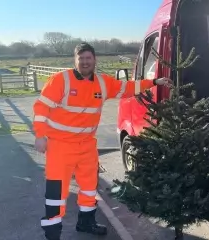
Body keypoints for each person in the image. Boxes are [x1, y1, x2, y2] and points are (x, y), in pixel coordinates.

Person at [33, 42, 172, 240]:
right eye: (81, 58)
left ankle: (86, 222)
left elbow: (128, 87)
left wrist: (155, 82)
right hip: (59, 146)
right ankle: (53, 231)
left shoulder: (103, 83)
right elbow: (41, 108)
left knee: (89, 187)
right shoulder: (60, 80)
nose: (85, 62)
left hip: (87, 146)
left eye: (88, 58)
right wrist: (40, 135)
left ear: (95, 60)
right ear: (75, 60)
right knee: (57, 190)